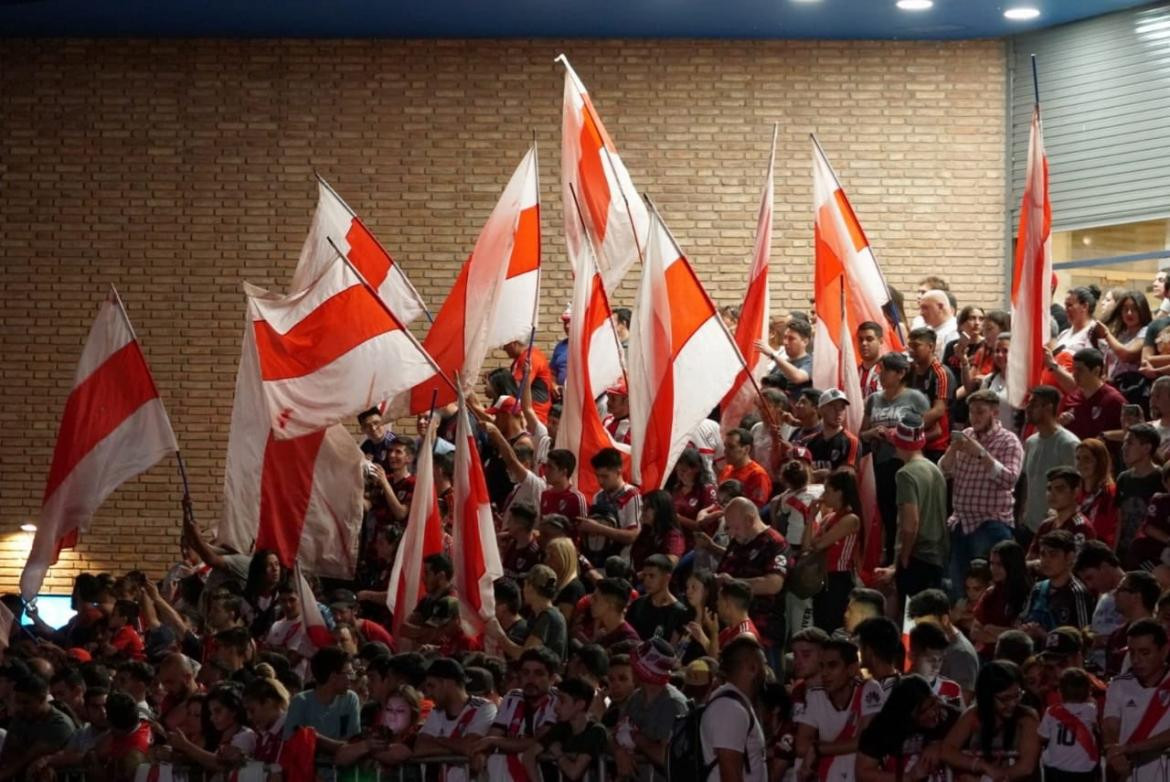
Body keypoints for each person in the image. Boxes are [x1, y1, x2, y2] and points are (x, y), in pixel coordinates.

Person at [939, 388, 1022, 600]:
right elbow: (944, 471)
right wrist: (952, 450)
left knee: (988, 589)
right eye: (972, 412)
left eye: (980, 412)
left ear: (994, 412)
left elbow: (1009, 479)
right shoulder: (966, 435)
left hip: (990, 524)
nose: (974, 417)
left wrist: (981, 454)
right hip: (961, 523)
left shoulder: (1009, 441)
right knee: (958, 587)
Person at [861, 352, 931, 564]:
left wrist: (898, 436)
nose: (881, 375)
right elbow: (861, 433)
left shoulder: (915, 398)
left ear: (901, 373)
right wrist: (872, 434)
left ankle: (907, 557)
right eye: (880, 370)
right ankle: (890, 557)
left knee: (907, 513)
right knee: (887, 515)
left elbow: (933, 431)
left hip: (907, 463)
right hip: (881, 464)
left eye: (886, 370)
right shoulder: (873, 399)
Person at [875, 413, 949, 611]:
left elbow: (911, 523)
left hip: (917, 557)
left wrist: (903, 557)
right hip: (937, 555)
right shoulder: (934, 469)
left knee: (911, 622)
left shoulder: (905, 474)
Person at [713, 497, 789, 671]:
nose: (731, 533)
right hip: (732, 627)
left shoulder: (775, 543)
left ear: (750, 519)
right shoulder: (738, 542)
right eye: (728, 528)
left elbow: (774, 583)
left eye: (734, 527)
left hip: (764, 629)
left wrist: (733, 582)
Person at [793, 638, 882, 780]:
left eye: (832, 666)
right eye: (822, 666)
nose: (824, 673)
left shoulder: (869, 689)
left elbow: (865, 742)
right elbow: (801, 746)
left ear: (852, 669)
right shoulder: (815, 695)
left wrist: (818, 748)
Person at [940, 661, 1039, 781]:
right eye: (1005, 699)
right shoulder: (974, 715)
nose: (1013, 703)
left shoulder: (1027, 718)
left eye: (1017, 695)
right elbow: (946, 750)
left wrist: (985, 780)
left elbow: (1025, 767)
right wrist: (982, 766)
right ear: (987, 696)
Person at [856, 674, 961, 782]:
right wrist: (908, 777)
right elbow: (863, 773)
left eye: (934, 703)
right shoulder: (884, 727)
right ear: (906, 715)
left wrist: (944, 746)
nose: (933, 713)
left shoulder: (952, 717)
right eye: (923, 711)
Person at [477, 647, 558, 780]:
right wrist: (483, 751)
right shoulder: (512, 697)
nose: (530, 679)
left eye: (538, 673)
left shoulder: (558, 700)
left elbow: (537, 741)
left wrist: (492, 742)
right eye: (525, 673)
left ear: (552, 679)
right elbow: (494, 733)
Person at [1103, 619, 1170, 781]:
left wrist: (1131, 748)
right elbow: (1110, 725)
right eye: (1132, 653)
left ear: (1164, 650)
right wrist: (1114, 752)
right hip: (1130, 774)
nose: (1137, 660)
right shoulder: (1119, 684)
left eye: (1145, 652)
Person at [614, 639, 689, 779]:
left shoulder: (673, 704)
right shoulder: (636, 698)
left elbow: (666, 757)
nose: (632, 668)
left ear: (642, 669)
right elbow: (618, 733)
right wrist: (619, 752)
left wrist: (636, 737)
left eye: (635, 665)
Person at [414, 658, 497, 782]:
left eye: (432, 686)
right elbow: (419, 747)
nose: (428, 694)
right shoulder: (436, 712)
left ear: (446, 683)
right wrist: (459, 748)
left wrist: (438, 741)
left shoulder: (484, 708)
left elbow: (470, 745)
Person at [700, 635, 769, 782]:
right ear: (752, 667)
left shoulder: (737, 704)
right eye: (764, 664)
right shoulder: (729, 709)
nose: (767, 672)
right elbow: (730, 775)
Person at [1020, 385, 1081, 541]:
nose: (1028, 408)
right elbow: (1027, 481)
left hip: (1056, 530)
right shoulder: (1030, 442)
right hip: (1030, 527)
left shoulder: (1068, 444)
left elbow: (1077, 488)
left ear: (1049, 407)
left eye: (1034, 404)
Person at [808, 469, 862, 633]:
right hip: (823, 579)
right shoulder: (829, 517)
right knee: (821, 627)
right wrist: (810, 518)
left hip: (839, 579)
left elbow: (819, 545)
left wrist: (817, 539)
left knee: (834, 627)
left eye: (828, 490)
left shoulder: (850, 519)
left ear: (840, 493)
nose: (824, 495)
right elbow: (809, 545)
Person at [284, 646, 361, 759]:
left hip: (340, 771)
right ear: (333, 677)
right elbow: (292, 744)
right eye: (349, 673)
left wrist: (315, 738)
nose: (352, 678)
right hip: (306, 772)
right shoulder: (300, 702)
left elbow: (354, 744)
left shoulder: (350, 699)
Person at [1021, 531, 1096, 640]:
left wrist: (1044, 636)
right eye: (1043, 554)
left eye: (1053, 554)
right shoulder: (1038, 588)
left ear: (1069, 557)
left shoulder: (1077, 593)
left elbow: (1082, 639)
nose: (1046, 560)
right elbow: (1023, 620)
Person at [0, 674, 76, 781]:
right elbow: (9, 753)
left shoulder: (60, 724)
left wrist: (4, 774)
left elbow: (30, 757)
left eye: (26, 702)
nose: (21, 707)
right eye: (18, 702)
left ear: (42, 699)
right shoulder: (21, 717)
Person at [907, 589, 979, 702]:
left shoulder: (961, 655)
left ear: (945, 619)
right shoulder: (927, 646)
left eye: (928, 625)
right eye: (919, 626)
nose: (923, 631)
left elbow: (961, 705)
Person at [486, 564, 568, 661]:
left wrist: (499, 635)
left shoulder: (547, 617)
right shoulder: (537, 615)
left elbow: (525, 655)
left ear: (530, 587)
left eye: (525, 584)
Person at [535, 677, 607, 782]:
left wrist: (558, 753)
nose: (556, 706)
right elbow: (529, 755)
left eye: (562, 701)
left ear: (580, 705)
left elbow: (574, 773)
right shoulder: (561, 728)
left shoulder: (596, 731)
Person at [1038, 668, 1101, 782]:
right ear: (1088, 691)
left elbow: (1042, 736)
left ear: (1060, 691)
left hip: (1056, 769)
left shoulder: (1051, 711)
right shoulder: (1090, 710)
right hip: (1083, 769)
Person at [1072, 541, 1126, 674]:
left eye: (1090, 577)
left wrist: (1105, 642)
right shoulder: (1103, 595)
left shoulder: (1137, 591)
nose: (1089, 585)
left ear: (1105, 566)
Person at [577, 447, 641, 557]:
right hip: (598, 558)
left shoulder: (632, 496)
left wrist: (598, 528)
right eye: (598, 476)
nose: (600, 481)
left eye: (605, 476)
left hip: (621, 562)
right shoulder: (598, 496)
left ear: (618, 472)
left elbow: (632, 536)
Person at [1025, 467, 1096, 563]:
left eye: (1059, 489)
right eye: (1049, 489)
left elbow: (1077, 565)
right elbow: (1030, 558)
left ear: (1075, 492)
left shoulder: (1080, 526)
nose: (1052, 494)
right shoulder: (1046, 525)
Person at [906, 327, 954, 461]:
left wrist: (910, 428)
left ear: (931, 346)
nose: (912, 351)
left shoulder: (940, 373)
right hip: (916, 442)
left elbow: (939, 410)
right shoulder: (912, 370)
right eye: (910, 346)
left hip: (937, 444)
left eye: (916, 346)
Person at [1116, 423, 1164, 554]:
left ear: (1147, 448)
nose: (1124, 447)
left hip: (1150, 553)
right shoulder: (1123, 478)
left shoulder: (1162, 479)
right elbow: (1118, 520)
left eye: (1130, 443)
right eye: (1124, 442)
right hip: (1124, 552)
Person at [1058, 348, 1126, 441]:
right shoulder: (1072, 398)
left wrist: (1105, 435)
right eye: (1073, 369)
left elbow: (1131, 432)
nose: (1074, 374)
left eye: (1080, 370)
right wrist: (1060, 423)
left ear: (1096, 371)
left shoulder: (1114, 400)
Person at [628, 554, 689, 643]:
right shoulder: (637, 604)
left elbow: (674, 650)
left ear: (667, 578)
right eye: (645, 575)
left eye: (652, 576)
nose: (646, 580)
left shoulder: (679, 613)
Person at [908, 622, 965, 709]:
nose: (936, 666)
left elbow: (962, 721)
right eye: (931, 660)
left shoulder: (952, 689)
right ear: (912, 656)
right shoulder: (896, 686)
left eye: (940, 660)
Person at [1074, 438, 1118, 547]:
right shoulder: (1075, 490)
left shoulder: (1109, 492)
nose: (1080, 464)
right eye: (1078, 458)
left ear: (1100, 462)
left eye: (1087, 459)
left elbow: (1104, 531)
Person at [808, 389, 860, 481]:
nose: (838, 412)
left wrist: (827, 474)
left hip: (837, 494)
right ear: (820, 410)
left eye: (842, 407)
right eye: (832, 407)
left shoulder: (851, 441)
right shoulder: (810, 441)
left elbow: (848, 475)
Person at [719, 428, 773, 509]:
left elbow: (754, 509)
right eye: (725, 446)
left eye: (731, 447)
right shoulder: (727, 469)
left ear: (746, 449)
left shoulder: (758, 475)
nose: (725, 451)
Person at [856, 617, 905, 696]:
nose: (858, 652)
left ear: (869, 651)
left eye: (860, 647)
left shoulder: (873, 693)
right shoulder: (906, 687)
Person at [917, 290, 959, 359]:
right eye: (920, 308)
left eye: (925, 308)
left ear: (940, 306)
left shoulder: (954, 331)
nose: (921, 313)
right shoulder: (927, 329)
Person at [857, 321, 885, 399]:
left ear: (880, 341)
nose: (864, 343)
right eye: (861, 340)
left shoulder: (890, 371)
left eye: (869, 339)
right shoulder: (853, 374)